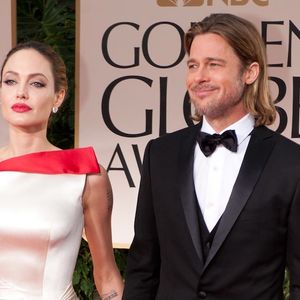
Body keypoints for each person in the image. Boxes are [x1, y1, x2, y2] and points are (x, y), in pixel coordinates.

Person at [123, 13, 300, 300]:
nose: (199, 77)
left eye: (213, 65)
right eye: (193, 65)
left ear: (250, 72)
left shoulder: (291, 163)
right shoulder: (160, 154)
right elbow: (143, 267)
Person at [0, 41, 123, 300]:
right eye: (11, 81)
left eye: (36, 83)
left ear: (58, 96)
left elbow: (107, 276)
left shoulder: (86, 176)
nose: (21, 93)